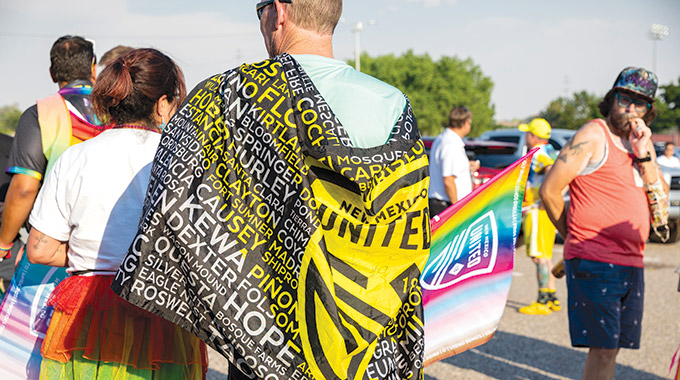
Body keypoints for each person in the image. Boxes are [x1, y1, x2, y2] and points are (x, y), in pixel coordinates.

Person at [111, 1, 430, 380]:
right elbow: (410, 218)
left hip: (265, 344)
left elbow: (172, 202)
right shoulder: (393, 103)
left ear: (278, 12)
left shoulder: (229, 95)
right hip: (375, 345)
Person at [26, 48, 208, 379]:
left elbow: (40, 250)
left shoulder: (75, 158)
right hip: (163, 310)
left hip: (85, 313)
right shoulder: (187, 163)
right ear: (163, 104)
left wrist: (90, 250)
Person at [540, 67, 667, 380]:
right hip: (595, 261)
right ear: (612, 98)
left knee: (612, 348)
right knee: (604, 347)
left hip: (631, 261)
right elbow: (550, 191)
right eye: (625, 99)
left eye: (641, 104)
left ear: (649, 111)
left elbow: (661, 198)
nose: (631, 110)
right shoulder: (594, 134)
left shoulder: (642, 143)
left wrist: (644, 154)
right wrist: (574, 239)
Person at [0, 35, 102, 265]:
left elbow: (24, 189)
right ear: (93, 68)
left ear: (52, 73)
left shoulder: (40, 113)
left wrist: (3, 245)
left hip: (54, 248)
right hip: (113, 244)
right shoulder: (118, 109)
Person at [517, 118, 561, 315]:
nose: (525, 137)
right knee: (546, 255)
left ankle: (542, 300)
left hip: (536, 209)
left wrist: (546, 193)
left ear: (533, 136)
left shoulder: (538, 153)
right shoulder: (552, 149)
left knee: (539, 257)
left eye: (527, 133)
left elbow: (550, 169)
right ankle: (551, 297)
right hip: (545, 210)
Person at [429, 106, 474, 215]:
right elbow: (448, 180)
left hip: (441, 203)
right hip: (447, 205)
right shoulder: (452, 144)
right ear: (465, 123)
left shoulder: (442, 138)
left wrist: (466, 166)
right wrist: (457, 209)